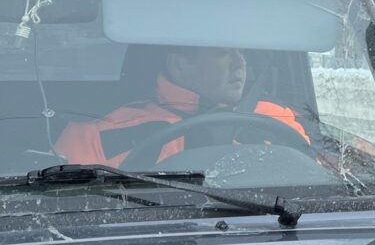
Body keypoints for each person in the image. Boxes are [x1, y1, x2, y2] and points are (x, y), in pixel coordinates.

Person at [54, 46, 308, 168]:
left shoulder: (275, 119)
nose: (240, 63)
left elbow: (316, 186)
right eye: (223, 53)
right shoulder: (97, 133)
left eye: (241, 53)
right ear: (179, 66)